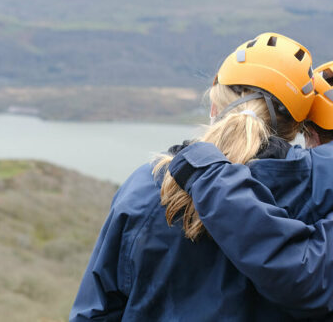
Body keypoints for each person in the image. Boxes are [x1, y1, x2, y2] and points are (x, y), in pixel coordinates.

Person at [69, 32, 315, 321]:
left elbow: (97, 310)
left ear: (214, 107)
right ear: (298, 130)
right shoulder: (312, 199)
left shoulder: (152, 186)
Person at [167, 61, 333, 319]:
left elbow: (303, 276)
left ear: (314, 136)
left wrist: (208, 175)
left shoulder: (150, 187)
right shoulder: (310, 195)